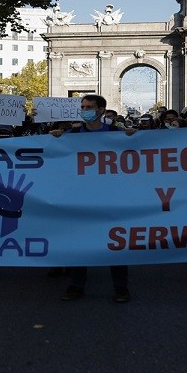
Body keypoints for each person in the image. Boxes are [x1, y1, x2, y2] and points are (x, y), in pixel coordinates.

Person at [51, 94, 137, 303]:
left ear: (101, 110)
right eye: (82, 106)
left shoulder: (118, 134)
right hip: (80, 198)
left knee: (116, 243)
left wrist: (135, 137)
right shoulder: (70, 135)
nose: (84, 109)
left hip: (111, 198)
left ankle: (120, 287)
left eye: (89, 106)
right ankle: (76, 285)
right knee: (79, 242)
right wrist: (53, 138)